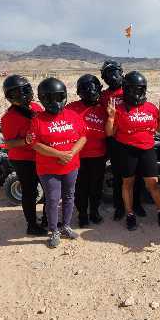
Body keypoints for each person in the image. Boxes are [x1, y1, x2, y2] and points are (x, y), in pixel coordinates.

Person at [104, 71, 160, 231]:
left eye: (139, 89)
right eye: (132, 89)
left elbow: (158, 129)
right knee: (127, 183)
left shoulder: (151, 108)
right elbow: (110, 133)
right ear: (126, 89)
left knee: (153, 183)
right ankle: (130, 214)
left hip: (147, 150)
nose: (136, 92)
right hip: (127, 151)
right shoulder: (119, 109)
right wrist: (111, 117)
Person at [29, 77, 86, 248]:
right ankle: (54, 230)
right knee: (53, 199)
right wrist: (58, 154)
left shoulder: (73, 116)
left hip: (71, 165)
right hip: (48, 169)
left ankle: (66, 226)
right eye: (50, 98)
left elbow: (83, 137)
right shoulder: (37, 120)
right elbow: (35, 144)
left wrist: (71, 153)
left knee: (69, 196)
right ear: (43, 99)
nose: (55, 102)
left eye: (59, 97)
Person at [0, 75, 48, 236]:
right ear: (9, 96)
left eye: (25, 90)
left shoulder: (36, 106)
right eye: (16, 93)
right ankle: (32, 225)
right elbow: (8, 143)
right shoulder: (9, 118)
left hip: (41, 155)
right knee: (29, 191)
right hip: (23, 159)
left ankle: (47, 219)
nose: (22, 95)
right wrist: (25, 140)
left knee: (49, 189)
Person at [100, 61, 144, 220]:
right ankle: (119, 206)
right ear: (104, 78)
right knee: (119, 174)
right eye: (108, 74)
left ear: (121, 72)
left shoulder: (130, 87)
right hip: (114, 139)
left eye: (115, 72)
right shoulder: (103, 96)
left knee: (137, 173)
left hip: (133, 137)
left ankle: (137, 204)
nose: (113, 77)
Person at [67, 74, 107, 228]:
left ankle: (94, 212)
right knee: (80, 186)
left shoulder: (104, 109)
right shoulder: (71, 108)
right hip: (77, 155)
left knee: (96, 186)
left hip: (98, 155)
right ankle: (82, 214)